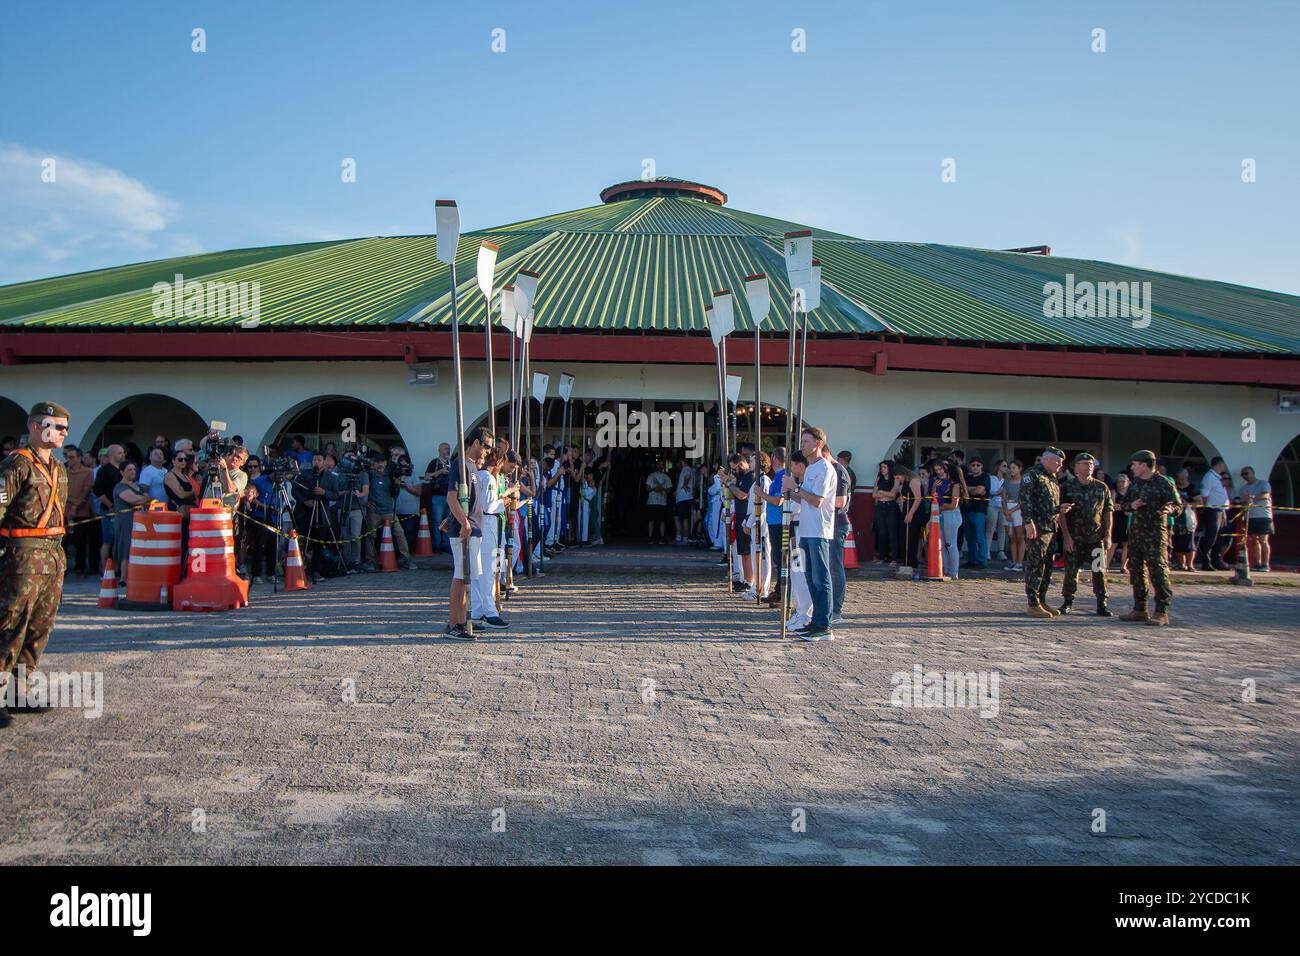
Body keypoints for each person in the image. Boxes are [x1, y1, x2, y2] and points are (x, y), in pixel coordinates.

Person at [0, 402, 71, 728]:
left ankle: (19, 690)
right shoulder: (17, 464)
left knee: (40, 626)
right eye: (54, 426)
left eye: (64, 428)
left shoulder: (58, 467)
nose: (61, 433)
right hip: (22, 554)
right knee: (10, 624)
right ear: (33, 427)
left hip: (52, 554)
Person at [781, 426, 837, 641]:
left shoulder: (824, 468)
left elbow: (817, 500)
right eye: (802, 441)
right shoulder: (811, 469)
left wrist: (794, 488)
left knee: (820, 578)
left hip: (819, 530)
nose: (802, 445)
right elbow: (804, 499)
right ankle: (815, 621)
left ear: (818, 443)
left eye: (806, 441)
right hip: (805, 529)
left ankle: (825, 624)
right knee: (810, 577)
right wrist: (792, 491)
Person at [1118, 450, 1181, 625]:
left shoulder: (1164, 483)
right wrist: (1131, 504)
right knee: (1136, 571)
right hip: (1136, 533)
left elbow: (1178, 506)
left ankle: (1161, 611)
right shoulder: (1135, 484)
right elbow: (1123, 504)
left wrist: (1170, 510)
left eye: (1135, 465)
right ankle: (1140, 609)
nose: (1132, 468)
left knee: (1158, 571)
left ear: (1144, 465)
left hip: (1155, 534)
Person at [446, 429, 491, 641]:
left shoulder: (472, 466)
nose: (488, 451)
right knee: (460, 575)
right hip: (466, 529)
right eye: (486, 446)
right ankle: (454, 623)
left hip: (473, 527)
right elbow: (451, 497)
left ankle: (462, 620)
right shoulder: (460, 465)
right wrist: (463, 522)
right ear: (475, 443)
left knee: (467, 577)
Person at [1057, 453, 1113, 616]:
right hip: (1074, 538)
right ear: (1075, 467)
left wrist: (1108, 534)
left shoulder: (1101, 487)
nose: (1088, 466)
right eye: (1083, 463)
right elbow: (1061, 513)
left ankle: (1102, 603)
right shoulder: (1067, 487)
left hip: (1095, 538)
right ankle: (1068, 601)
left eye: (1090, 463)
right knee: (1071, 571)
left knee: (1099, 571)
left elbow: (1108, 512)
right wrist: (1066, 536)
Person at [1021, 447, 1070, 618]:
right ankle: (1033, 603)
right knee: (1035, 564)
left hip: (1050, 527)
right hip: (1037, 528)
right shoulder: (1032, 474)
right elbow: (1025, 499)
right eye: (1058, 461)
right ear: (1047, 459)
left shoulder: (1052, 478)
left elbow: (1047, 504)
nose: (1060, 465)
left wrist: (1059, 508)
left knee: (1047, 566)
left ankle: (1042, 600)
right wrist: (1028, 522)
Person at [362, 454, 415, 572]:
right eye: (377, 462)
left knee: (400, 533)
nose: (380, 465)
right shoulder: (369, 475)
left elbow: (395, 494)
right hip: (374, 511)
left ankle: (406, 558)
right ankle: (370, 561)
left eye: (383, 462)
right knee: (371, 536)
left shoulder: (391, 475)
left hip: (389, 510)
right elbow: (363, 490)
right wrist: (366, 503)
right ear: (373, 463)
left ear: (386, 463)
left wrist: (396, 483)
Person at [111, 462, 150, 582]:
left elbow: (146, 497)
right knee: (126, 547)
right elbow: (134, 500)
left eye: (134, 469)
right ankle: (123, 577)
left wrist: (143, 499)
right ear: (122, 472)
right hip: (125, 521)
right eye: (129, 470)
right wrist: (143, 499)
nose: (133, 472)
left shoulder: (138, 486)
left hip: (140, 519)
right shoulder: (120, 487)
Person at [826, 445, 852, 625]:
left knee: (835, 567)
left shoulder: (838, 470)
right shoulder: (829, 469)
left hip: (837, 524)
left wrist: (815, 498)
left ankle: (836, 609)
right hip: (827, 524)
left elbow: (840, 501)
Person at [61, 445, 94, 576]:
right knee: (63, 541)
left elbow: (86, 491)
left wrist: (76, 505)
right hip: (64, 511)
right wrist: (71, 503)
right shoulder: (63, 470)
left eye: (72, 457)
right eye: (67, 457)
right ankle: (64, 567)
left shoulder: (88, 472)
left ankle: (80, 567)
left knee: (80, 541)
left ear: (79, 458)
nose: (69, 460)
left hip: (82, 511)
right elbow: (61, 490)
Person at [929, 459, 964, 580]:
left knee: (951, 544)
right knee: (942, 544)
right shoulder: (944, 483)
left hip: (951, 514)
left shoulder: (956, 485)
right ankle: (946, 569)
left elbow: (954, 504)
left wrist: (941, 507)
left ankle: (954, 571)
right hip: (942, 515)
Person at [92, 444, 125, 573]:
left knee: (118, 540)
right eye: (119, 453)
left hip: (122, 510)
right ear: (111, 455)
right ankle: (104, 569)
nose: (122, 455)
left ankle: (116, 568)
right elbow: (97, 490)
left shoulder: (123, 470)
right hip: (108, 510)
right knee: (108, 540)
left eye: (123, 453)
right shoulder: (104, 470)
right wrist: (110, 505)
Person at [1195, 456, 1231, 571]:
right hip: (1212, 510)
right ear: (1218, 464)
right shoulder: (1209, 477)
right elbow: (1204, 495)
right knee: (1211, 537)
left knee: (1220, 537)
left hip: (1221, 510)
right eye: (1223, 464)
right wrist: (1205, 509)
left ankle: (1216, 560)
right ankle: (1206, 561)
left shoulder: (1218, 477)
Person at [1237, 465, 1273, 572]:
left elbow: (1266, 495)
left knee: (1263, 540)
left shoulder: (1263, 483)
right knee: (1254, 540)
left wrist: (1253, 497)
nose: (1245, 476)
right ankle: (1257, 564)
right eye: (1242, 474)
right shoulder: (1243, 489)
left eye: (1246, 473)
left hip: (1263, 515)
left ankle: (1265, 564)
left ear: (1253, 473)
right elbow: (1243, 502)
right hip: (1250, 516)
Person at [962, 457, 991, 568]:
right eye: (973, 465)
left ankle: (982, 561)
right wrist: (973, 490)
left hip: (979, 510)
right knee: (969, 538)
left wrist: (968, 490)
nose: (975, 467)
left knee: (980, 536)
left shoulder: (985, 477)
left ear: (982, 466)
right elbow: (962, 490)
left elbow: (980, 491)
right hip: (966, 509)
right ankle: (972, 560)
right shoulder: (967, 477)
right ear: (970, 466)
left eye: (978, 465)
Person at [425, 443, 452, 554]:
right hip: (437, 496)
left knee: (447, 521)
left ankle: (445, 545)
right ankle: (437, 545)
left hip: (450, 496)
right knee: (437, 521)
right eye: (446, 448)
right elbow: (426, 476)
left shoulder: (451, 463)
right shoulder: (434, 463)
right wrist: (440, 472)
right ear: (439, 450)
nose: (448, 450)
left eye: (449, 449)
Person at [872, 461, 902, 564]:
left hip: (891, 507)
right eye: (881, 467)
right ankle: (882, 556)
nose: (882, 469)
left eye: (884, 467)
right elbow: (874, 495)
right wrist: (884, 494)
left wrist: (882, 492)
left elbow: (893, 494)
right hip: (880, 506)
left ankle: (894, 557)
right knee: (882, 532)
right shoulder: (879, 479)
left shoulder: (895, 479)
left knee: (892, 532)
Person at [1171, 469, 1197, 570]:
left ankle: (1190, 564)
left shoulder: (1192, 488)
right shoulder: (1175, 488)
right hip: (1177, 517)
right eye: (1178, 479)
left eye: (1182, 479)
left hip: (1188, 517)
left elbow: (1200, 501)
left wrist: (1188, 504)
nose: (1180, 481)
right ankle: (1181, 563)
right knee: (1178, 541)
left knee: (1189, 541)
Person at [1002, 460, 1025, 571]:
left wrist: (1010, 512)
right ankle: (1014, 561)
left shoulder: (1024, 482)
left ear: (1020, 469)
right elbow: (1003, 498)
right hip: (1007, 509)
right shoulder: (1006, 482)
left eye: (1014, 468)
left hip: (1018, 510)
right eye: (1010, 468)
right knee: (1012, 538)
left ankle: (1020, 563)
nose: (1011, 470)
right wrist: (1006, 511)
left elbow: (1023, 501)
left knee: (1020, 537)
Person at [644, 459, 673, 544]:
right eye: (659, 464)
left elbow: (669, 489)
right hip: (651, 501)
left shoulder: (666, 477)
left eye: (662, 464)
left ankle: (662, 538)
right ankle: (650, 538)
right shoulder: (651, 476)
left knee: (662, 521)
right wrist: (654, 489)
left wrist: (662, 489)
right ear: (656, 465)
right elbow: (647, 488)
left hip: (662, 502)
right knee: (651, 520)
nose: (661, 466)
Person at [986, 459, 1008, 562]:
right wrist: (997, 492)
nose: (1006, 468)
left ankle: (1001, 551)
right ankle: (987, 551)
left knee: (1002, 529)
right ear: (998, 467)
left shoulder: (1006, 480)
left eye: (1006, 466)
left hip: (1003, 506)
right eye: (1004, 466)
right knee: (990, 528)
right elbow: (988, 492)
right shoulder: (991, 478)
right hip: (992, 505)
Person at [673, 455, 695, 545]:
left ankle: (685, 537)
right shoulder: (685, 469)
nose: (678, 465)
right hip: (682, 498)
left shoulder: (686, 468)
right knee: (679, 517)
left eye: (678, 463)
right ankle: (680, 536)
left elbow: (687, 476)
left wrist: (685, 484)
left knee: (684, 518)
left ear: (682, 461)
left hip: (684, 498)